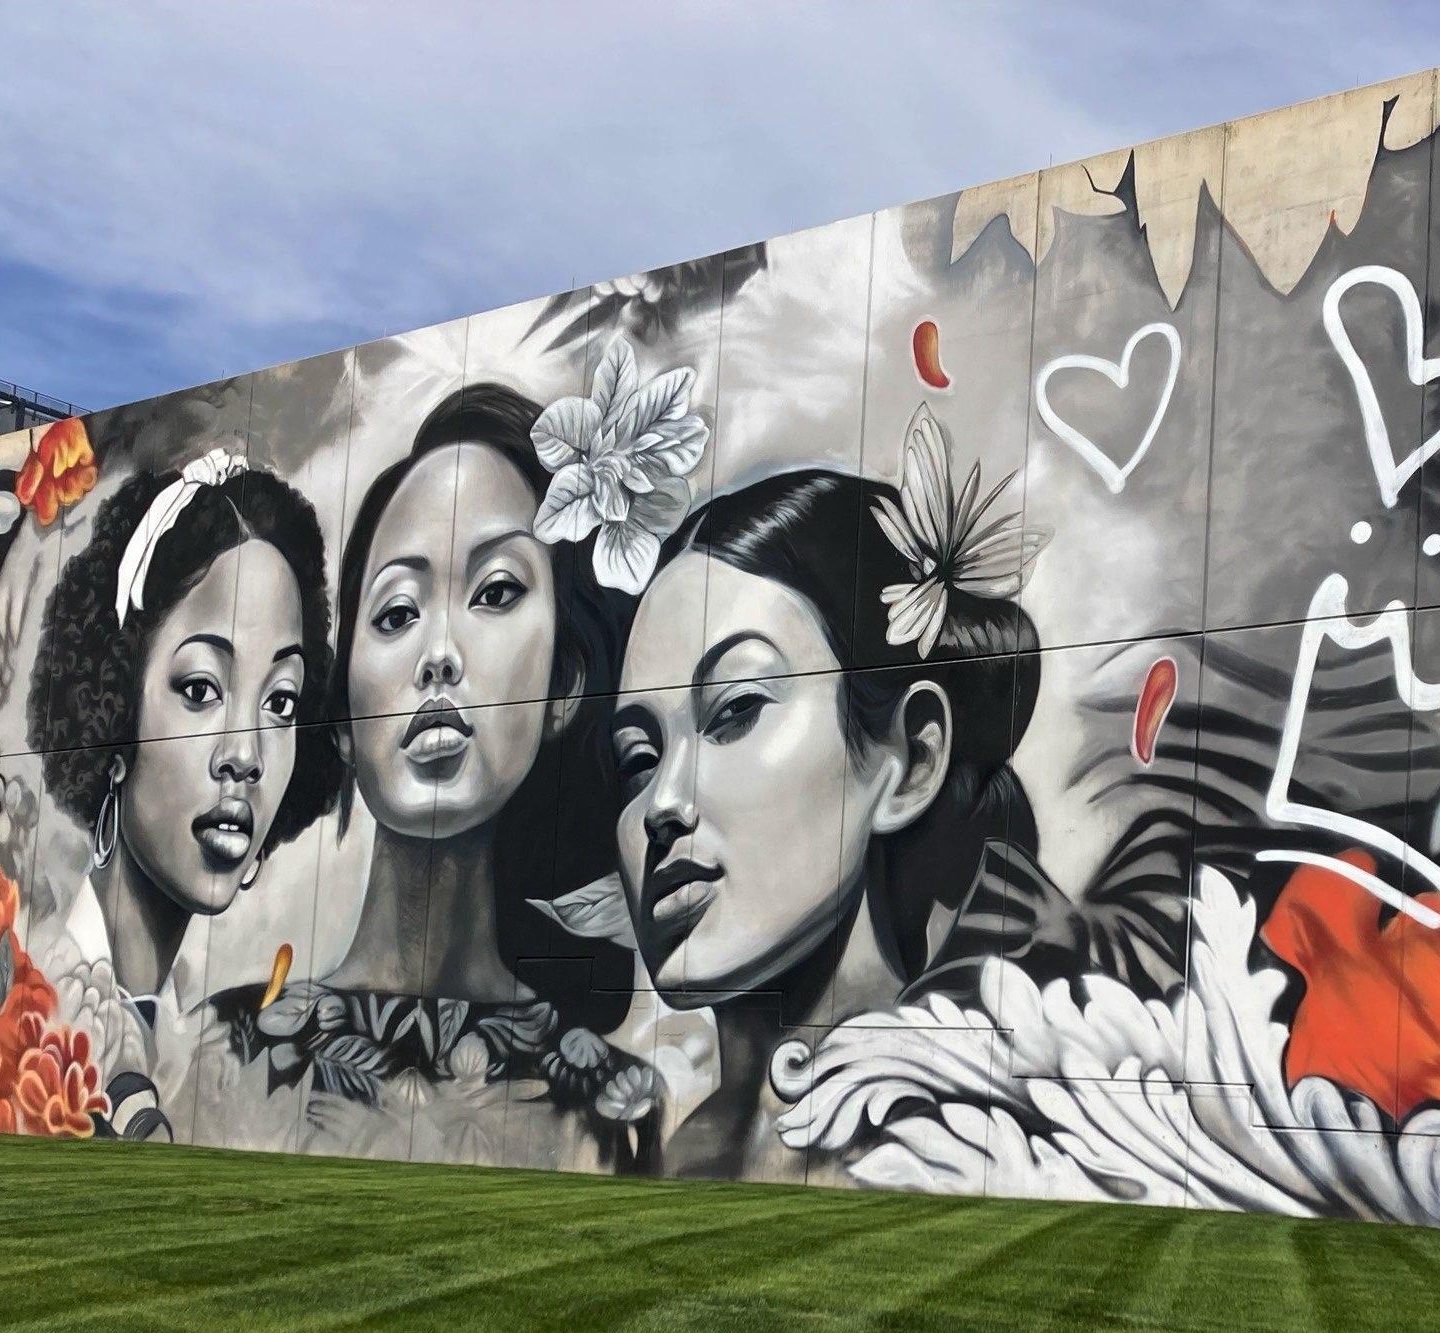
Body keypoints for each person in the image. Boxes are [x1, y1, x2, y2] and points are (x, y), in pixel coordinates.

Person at [204, 384, 652, 1168]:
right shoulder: (220, 1045)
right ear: (340, 720)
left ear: (564, 686)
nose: (438, 654)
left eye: (496, 592)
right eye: (397, 612)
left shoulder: (612, 1106)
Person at [609, 404, 1042, 1178]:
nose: (662, 805)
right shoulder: (663, 1152)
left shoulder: (976, 1152)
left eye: (735, 711)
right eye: (637, 758)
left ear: (909, 761)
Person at [27, 453, 345, 1140]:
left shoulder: (198, 1028)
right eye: (201, 689)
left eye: (281, 701)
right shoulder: (34, 1002)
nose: (246, 755)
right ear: (112, 708)